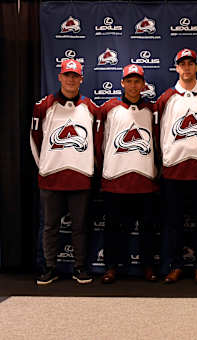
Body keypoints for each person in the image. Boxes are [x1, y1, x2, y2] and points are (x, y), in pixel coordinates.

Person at [155, 48, 197, 284]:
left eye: (190, 63)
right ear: (176, 68)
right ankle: (175, 266)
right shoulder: (166, 98)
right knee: (173, 223)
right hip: (173, 171)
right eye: (182, 64)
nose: (186, 68)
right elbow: (160, 134)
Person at [31, 59, 97, 285]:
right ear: (59, 77)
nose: (70, 79)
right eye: (67, 75)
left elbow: (97, 143)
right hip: (51, 178)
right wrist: (45, 166)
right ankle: (49, 267)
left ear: (81, 79)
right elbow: (34, 138)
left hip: (80, 178)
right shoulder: (44, 105)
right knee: (50, 226)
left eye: (75, 76)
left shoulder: (90, 107)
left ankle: (80, 267)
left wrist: (88, 168)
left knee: (80, 227)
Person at [96, 64, 159, 284]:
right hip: (115, 179)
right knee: (113, 227)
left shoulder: (153, 110)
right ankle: (112, 267)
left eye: (137, 81)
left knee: (148, 228)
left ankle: (148, 266)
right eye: (129, 81)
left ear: (143, 84)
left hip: (145, 180)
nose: (133, 85)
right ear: (122, 83)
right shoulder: (109, 108)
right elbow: (100, 142)